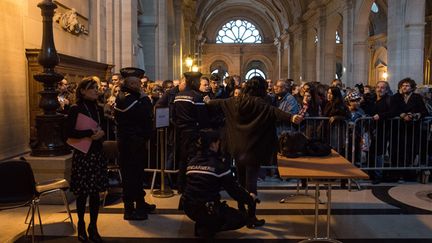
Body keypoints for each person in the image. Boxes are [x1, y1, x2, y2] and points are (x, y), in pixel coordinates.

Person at [204, 76, 303, 226]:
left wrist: (207, 101)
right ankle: (251, 217)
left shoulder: (234, 101)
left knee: (240, 181)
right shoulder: (261, 104)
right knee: (251, 185)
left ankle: (241, 211)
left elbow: (217, 103)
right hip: (254, 149)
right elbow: (275, 112)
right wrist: (292, 117)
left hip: (237, 149)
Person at [182, 130, 256, 237]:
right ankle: (207, 227)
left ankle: (202, 223)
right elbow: (234, 191)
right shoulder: (219, 166)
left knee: (203, 210)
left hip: (188, 207)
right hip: (207, 208)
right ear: (213, 144)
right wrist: (250, 199)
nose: (219, 145)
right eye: (218, 142)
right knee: (240, 219)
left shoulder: (192, 161)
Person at [65, 77, 108, 243]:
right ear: (82, 91)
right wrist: (88, 133)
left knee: (96, 194)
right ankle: (81, 225)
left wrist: (102, 133)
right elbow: (68, 133)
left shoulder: (98, 108)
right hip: (83, 155)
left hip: (97, 154)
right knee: (82, 194)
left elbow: (103, 127)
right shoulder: (76, 108)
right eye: (92, 88)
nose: (96, 91)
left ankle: (93, 226)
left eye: (97, 88)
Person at [114, 68, 156, 221]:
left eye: (138, 82)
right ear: (128, 83)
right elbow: (146, 113)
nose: (138, 85)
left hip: (136, 142)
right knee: (130, 176)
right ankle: (129, 209)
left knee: (137, 175)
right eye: (134, 83)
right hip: (129, 144)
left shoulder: (132, 96)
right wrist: (145, 98)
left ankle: (140, 203)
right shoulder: (127, 98)